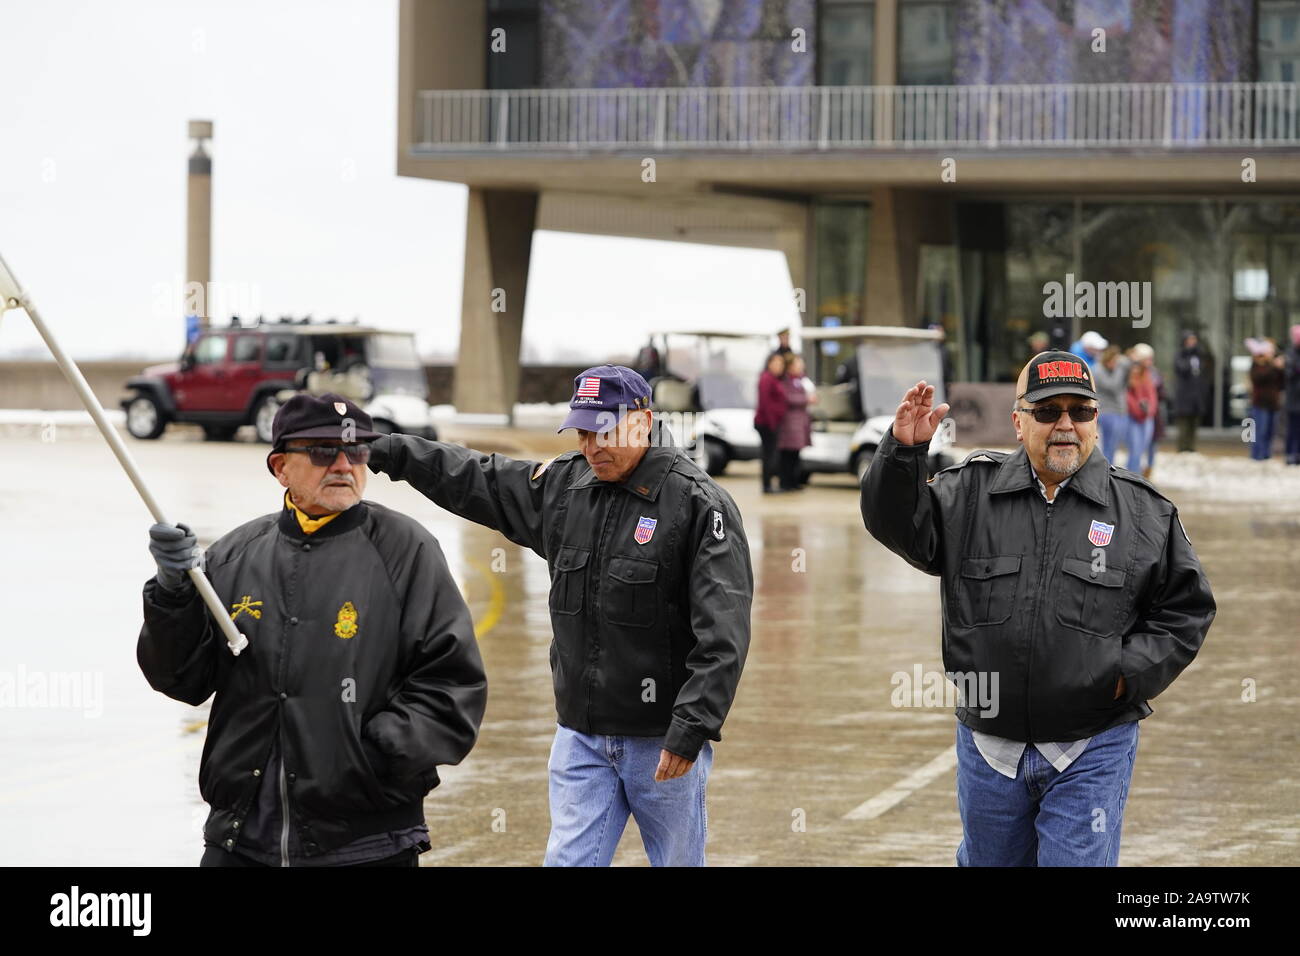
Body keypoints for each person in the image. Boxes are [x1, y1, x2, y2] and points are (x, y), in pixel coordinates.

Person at [365, 365, 753, 867]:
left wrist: (691, 729)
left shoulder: (700, 506)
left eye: (606, 430)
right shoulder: (564, 488)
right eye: (583, 431)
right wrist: (387, 451)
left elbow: (723, 635)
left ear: (644, 419)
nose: (592, 445)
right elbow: (474, 476)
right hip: (581, 739)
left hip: (662, 743)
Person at [860, 352, 1215, 867]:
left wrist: (1123, 675)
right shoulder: (968, 494)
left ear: (1096, 418)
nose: (1065, 424)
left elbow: (1187, 610)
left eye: (1080, 411)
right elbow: (896, 525)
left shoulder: (1144, 512)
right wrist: (902, 455)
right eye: (1048, 412)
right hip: (988, 746)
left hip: (1091, 744)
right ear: (1019, 421)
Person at [138, 393, 488, 867]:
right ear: (281, 467)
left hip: (364, 842)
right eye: (324, 451)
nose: (344, 464)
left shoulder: (408, 552)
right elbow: (182, 678)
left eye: (357, 451)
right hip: (239, 839)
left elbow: (453, 685)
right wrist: (173, 591)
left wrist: (368, 757)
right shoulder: (233, 555)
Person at [777, 354, 814, 491]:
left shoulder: (800, 380)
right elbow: (788, 398)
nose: (801, 366)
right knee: (787, 455)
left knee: (796, 454)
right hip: (790, 422)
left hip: (800, 422)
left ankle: (793, 481)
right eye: (798, 364)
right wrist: (806, 399)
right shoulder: (785, 380)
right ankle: (785, 482)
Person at [754, 352, 788, 494]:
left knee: (770, 454)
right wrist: (772, 423)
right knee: (768, 455)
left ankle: (768, 484)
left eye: (781, 364)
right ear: (769, 364)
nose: (779, 367)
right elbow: (765, 403)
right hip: (766, 423)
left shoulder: (775, 379)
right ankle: (767, 485)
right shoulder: (766, 379)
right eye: (776, 363)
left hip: (772, 422)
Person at [1172, 331, 1210, 453]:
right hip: (1184, 396)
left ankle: (1191, 447)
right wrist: (1189, 358)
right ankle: (1182, 448)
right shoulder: (1180, 355)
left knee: (1194, 424)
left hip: (1196, 396)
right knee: (1184, 425)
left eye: (1194, 340)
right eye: (1189, 340)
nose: (1192, 343)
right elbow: (1181, 368)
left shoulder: (1199, 355)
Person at [1247, 338, 1286, 461]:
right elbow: (1258, 378)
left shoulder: (1274, 366)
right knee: (1260, 430)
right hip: (1259, 403)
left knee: (1270, 431)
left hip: (1273, 403)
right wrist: (1273, 366)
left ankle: (1266, 454)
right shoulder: (1257, 363)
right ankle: (1257, 455)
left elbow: (1282, 383)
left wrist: (1281, 368)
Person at [1125, 346, 1159, 478]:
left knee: (1142, 448)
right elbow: (1128, 397)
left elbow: (1152, 396)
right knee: (1135, 449)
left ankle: (1136, 476)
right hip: (1134, 417)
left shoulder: (1149, 375)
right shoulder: (1129, 374)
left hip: (1147, 417)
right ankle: (1132, 476)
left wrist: (1149, 410)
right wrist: (1138, 410)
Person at [1093, 344, 1130, 464]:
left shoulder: (1114, 369)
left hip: (1118, 411)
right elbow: (1113, 386)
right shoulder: (1098, 369)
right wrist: (1120, 368)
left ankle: (1109, 468)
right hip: (1106, 412)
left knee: (1113, 446)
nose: (1116, 364)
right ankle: (1105, 469)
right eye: (1115, 361)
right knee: (1106, 446)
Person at [1285, 325, 1300, 466]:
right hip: (1293, 400)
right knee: (1292, 430)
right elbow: (1288, 374)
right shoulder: (1290, 354)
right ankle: (1290, 454)